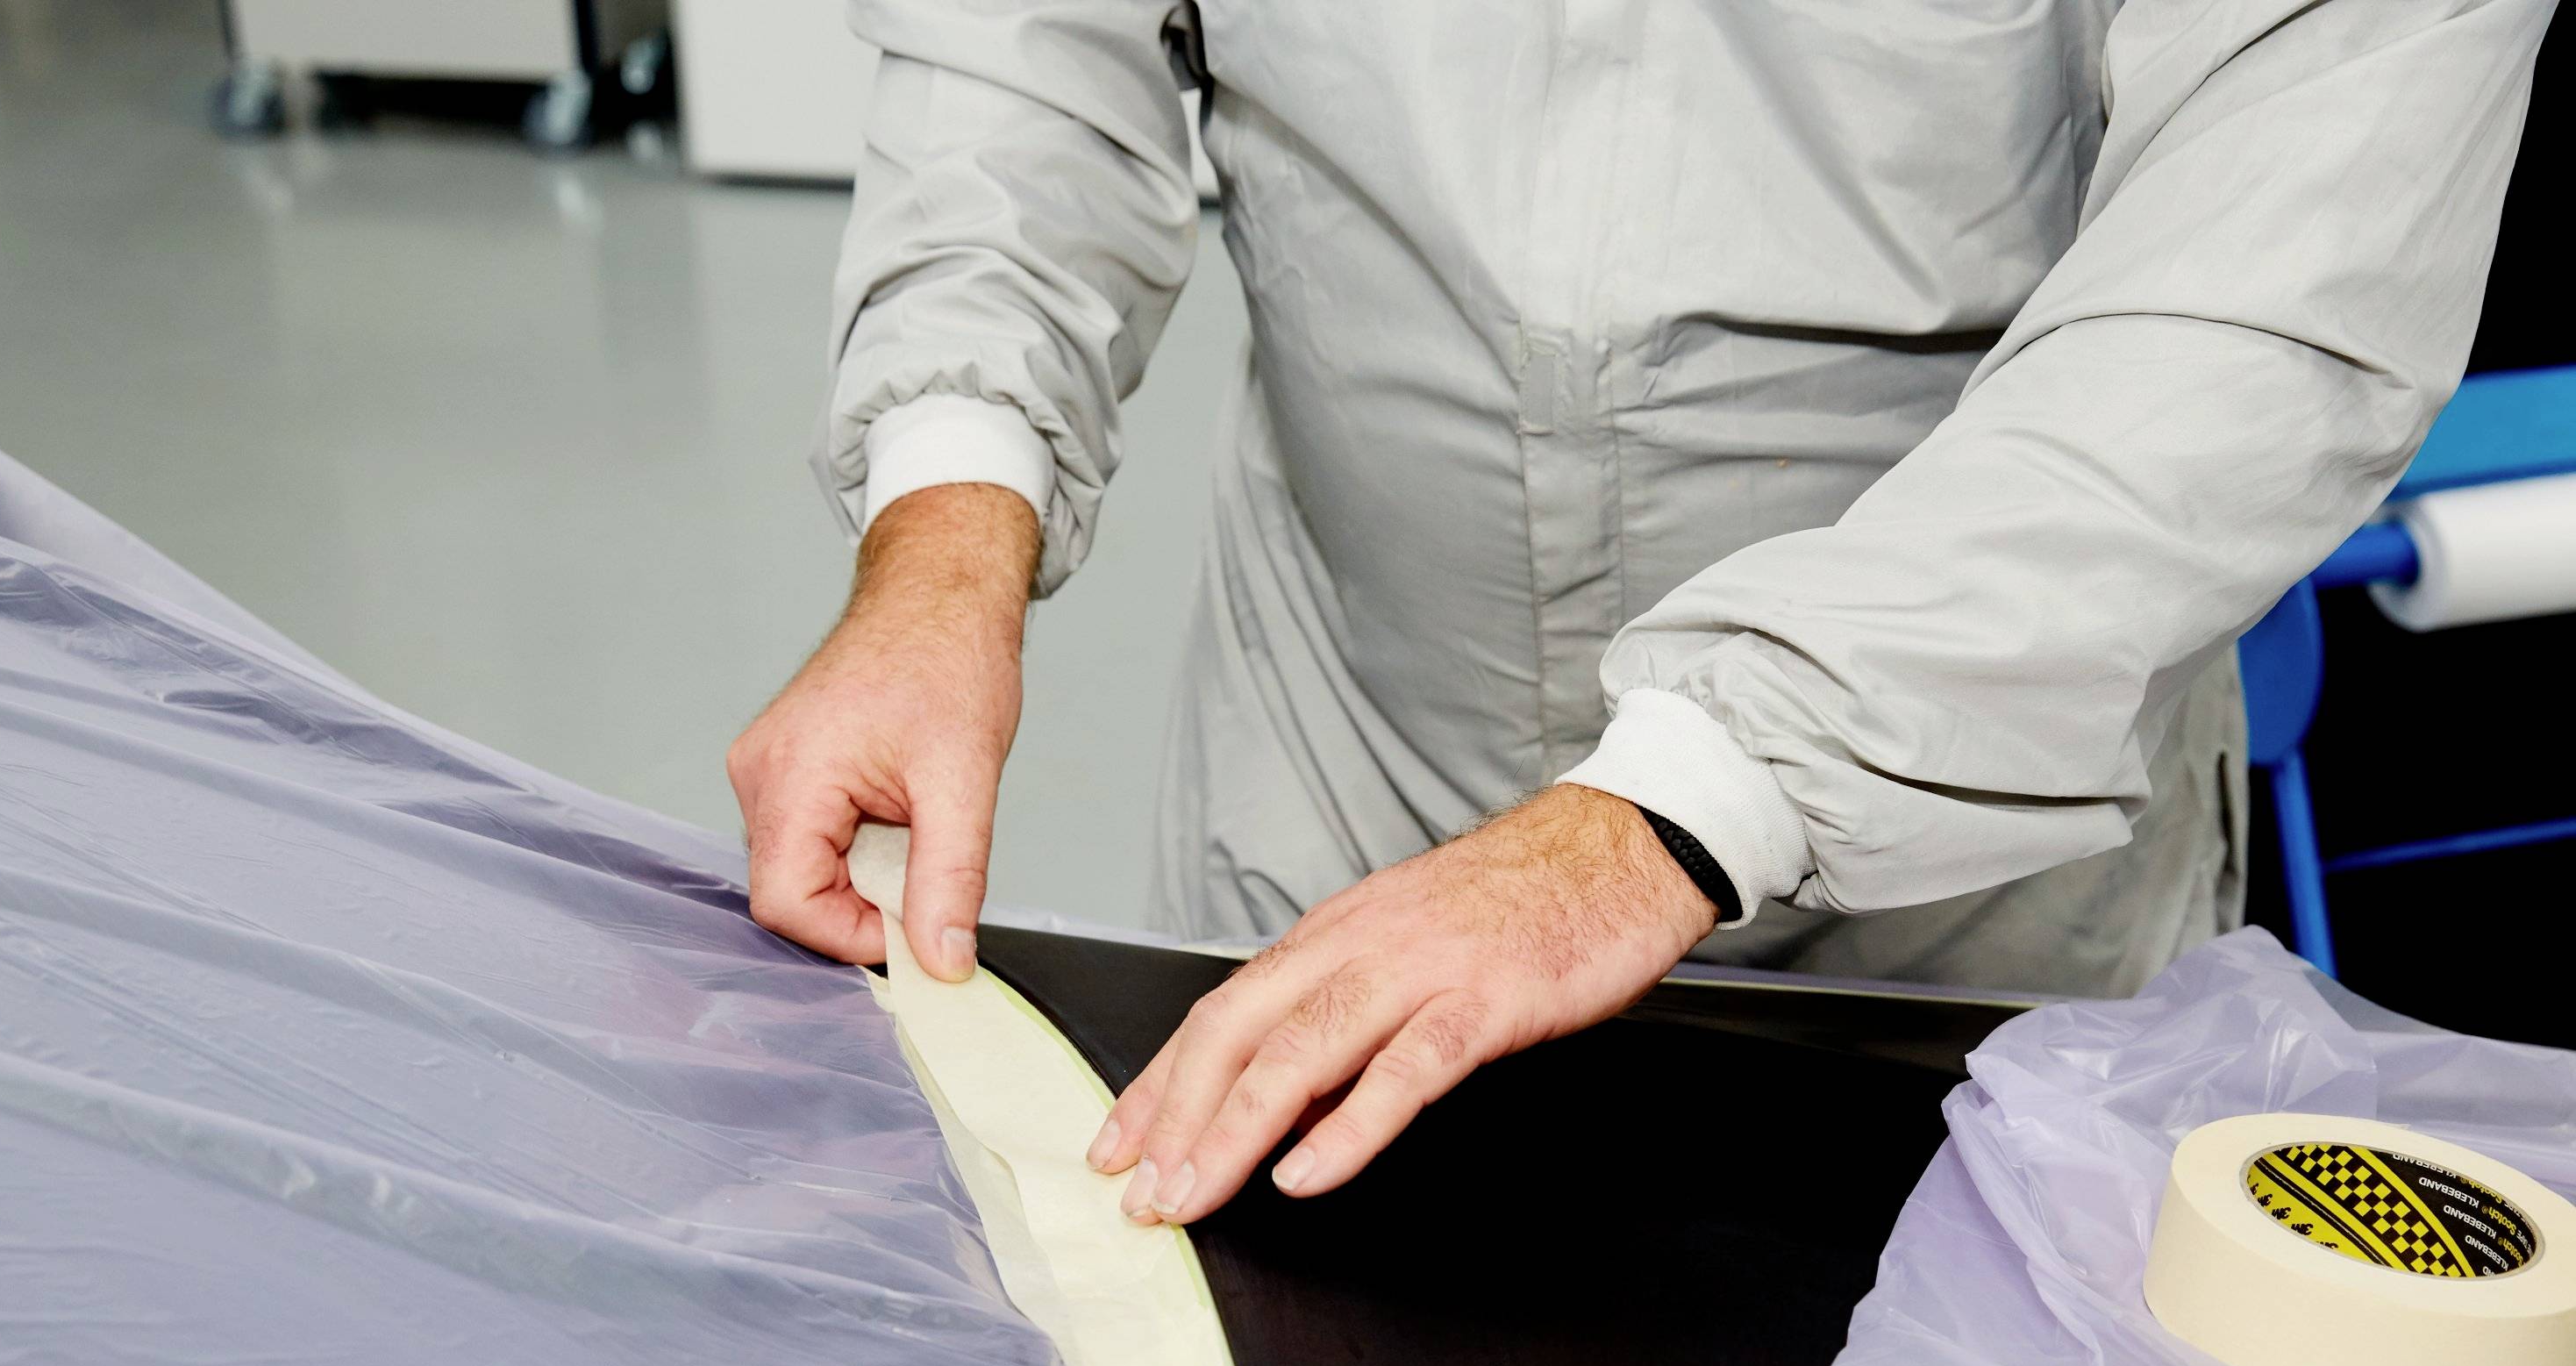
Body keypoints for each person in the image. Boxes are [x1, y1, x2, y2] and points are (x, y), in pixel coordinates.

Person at [727, 0, 2548, 1228]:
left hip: (1949, 882)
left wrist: (1685, 800)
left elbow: (2253, 304)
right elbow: (1035, 45)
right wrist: (948, 506)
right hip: (1346, 792)